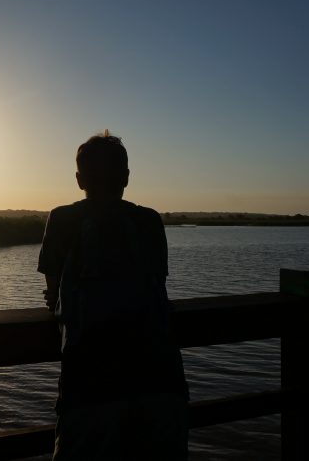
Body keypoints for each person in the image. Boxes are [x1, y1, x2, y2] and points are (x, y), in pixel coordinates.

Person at [38, 131, 189, 460]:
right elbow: (154, 287)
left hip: (89, 389)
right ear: (127, 178)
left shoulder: (63, 219)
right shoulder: (149, 221)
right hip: (162, 383)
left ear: (80, 180)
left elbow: (54, 297)